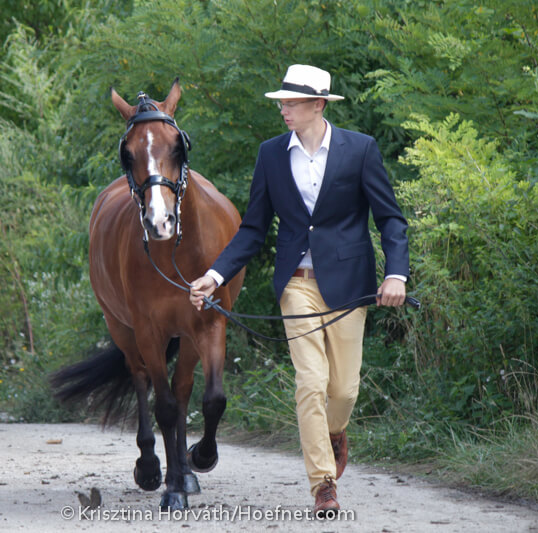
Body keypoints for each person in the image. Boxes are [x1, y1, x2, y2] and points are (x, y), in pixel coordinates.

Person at [188, 64, 410, 516]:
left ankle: (334, 432)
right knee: (310, 383)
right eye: (282, 102)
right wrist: (215, 274)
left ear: (319, 105)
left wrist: (396, 275)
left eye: (291, 102)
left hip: (350, 285)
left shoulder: (360, 149)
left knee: (343, 391)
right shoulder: (271, 154)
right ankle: (323, 484)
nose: (283, 109)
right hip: (296, 284)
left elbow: (390, 219)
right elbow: (253, 229)